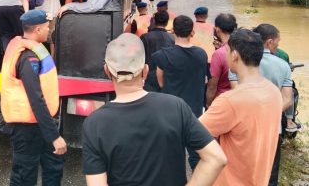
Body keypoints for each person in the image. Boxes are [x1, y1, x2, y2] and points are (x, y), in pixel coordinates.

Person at [82, 33, 226, 186]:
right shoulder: (175, 106)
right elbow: (216, 158)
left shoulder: (94, 123)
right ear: (145, 70)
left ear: (107, 71)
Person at [200, 29, 282, 186]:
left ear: (235, 55)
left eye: (227, 50)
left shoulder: (230, 101)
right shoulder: (274, 92)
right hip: (260, 180)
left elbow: (194, 133)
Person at [1, 10, 66, 185]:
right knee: (24, 176)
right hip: (26, 128)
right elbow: (35, 99)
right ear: (37, 29)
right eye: (47, 27)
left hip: (40, 123)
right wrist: (54, 136)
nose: (49, 30)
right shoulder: (28, 57)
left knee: (54, 165)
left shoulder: (32, 50)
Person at [228, 23, 293, 186]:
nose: (278, 45)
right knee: (270, 175)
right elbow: (288, 98)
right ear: (270, 42)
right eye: (278, 41)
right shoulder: (283, 65)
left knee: (242, 172)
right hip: (273, 129)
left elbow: (236, 93)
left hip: (243, 127)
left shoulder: (238, 62)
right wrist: (270, 112)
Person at [152, 15, 209, 170]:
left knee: (172, 150)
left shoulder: (162, 56)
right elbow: (204, 79)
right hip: (195, 111)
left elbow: (161, 82)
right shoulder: (202, 54)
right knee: (196, 152)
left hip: (171, 110)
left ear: (173, 31)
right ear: (192, 32)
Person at [205, 14, 237, 108]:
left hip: (221, 101)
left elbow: (212, 87)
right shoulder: (242, 47)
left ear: (217, 29)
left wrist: (208, 105)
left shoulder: (219, 54)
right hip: (238, 99)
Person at [140, 10, 175, 92]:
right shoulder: (172, 38)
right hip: (166, 77)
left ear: (154, 21)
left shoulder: (145, 37)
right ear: (167, 23)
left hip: (148, 77)